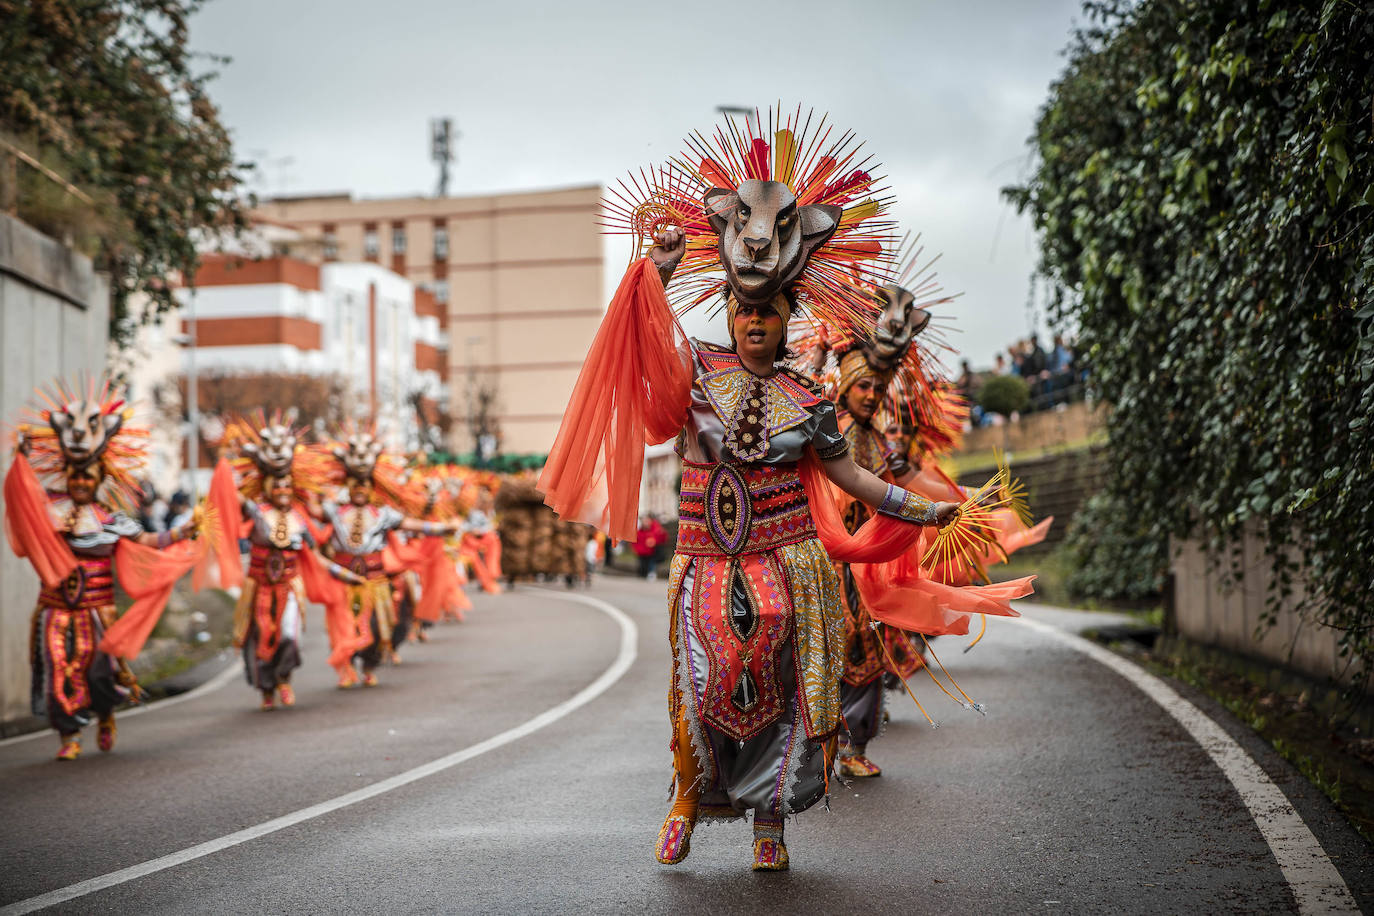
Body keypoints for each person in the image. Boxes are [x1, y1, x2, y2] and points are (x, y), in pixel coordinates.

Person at [539, 110, 964, 871]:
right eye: (744, 312)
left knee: (782, 696)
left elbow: (853, 476)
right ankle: (685, 799)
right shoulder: (694, 372)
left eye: (768, 313)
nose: (755, 324)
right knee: (704, 689)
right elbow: (638, 344)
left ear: (786, 316)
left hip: (788, 568)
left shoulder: (809, 401)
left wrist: (923, 509)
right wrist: (659, 270)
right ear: (730, 314)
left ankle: (770, 825)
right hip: (704, 563)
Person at [4, 379, 205, 761]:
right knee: (57, 668)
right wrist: (22, 459)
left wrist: (184, 531)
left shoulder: (112, 520)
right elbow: (21, 501)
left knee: (99, 673)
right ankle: (70, 736)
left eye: (88, 477)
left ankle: (107, 713)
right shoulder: (51, 511)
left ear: (99, 481)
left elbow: (148, 542)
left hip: (98, 613)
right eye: (76, 476)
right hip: (53, 609)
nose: (80, 481)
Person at [215, 414, 362, 710]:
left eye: (286, 485)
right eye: (276, 485)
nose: (282, 490)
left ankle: (284, 679)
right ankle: (266, 689)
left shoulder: (299, 518)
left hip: (290, 588)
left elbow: (315, 556)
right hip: (258, 587)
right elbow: (229, 498)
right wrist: (227, 457)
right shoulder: (255, 511)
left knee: (288, 636)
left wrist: (344, 575)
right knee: (258, 638)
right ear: (267, 485)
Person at [311, 428, 460, 688]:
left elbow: (412, 525)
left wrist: (441, 529)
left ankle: (369, 665)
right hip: (343, 582)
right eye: (355, 486)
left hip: (375, 582)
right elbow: (311, 511)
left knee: (377, 628)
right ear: (349, 486)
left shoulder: (383, 515)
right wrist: (307, 486)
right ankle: (345, 667)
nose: (359, 490)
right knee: (343, 627)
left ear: (371, 488)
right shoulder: (334, 512)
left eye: (364, 486)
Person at [633, 514, 666, 579]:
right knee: (643, 563)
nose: (646, 522)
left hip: (652, 551)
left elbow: (662, 537)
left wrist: (654, 541)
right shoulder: (639, 531)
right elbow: (636, 541)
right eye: (644, 521)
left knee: (651, 562)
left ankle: (651, 572)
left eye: (647, 521)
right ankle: (643, 574)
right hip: (642, 551)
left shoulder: (656, 529)